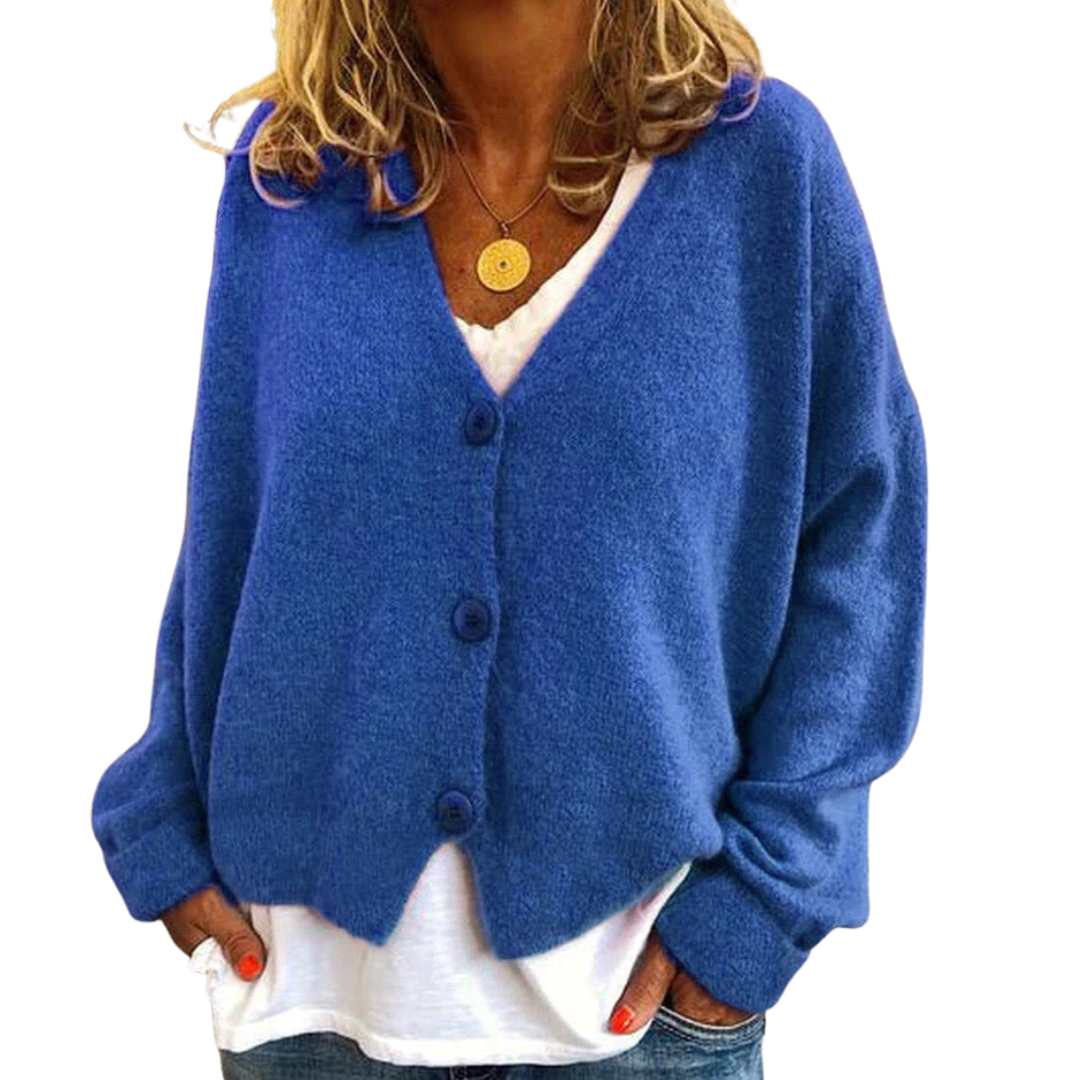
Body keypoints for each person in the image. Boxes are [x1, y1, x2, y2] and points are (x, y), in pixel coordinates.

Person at [89, 1, 928, 1078]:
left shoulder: (761, 167)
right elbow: (233, 520)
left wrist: (770, 898)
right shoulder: (290, 174)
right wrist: (159, 808)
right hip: (307, 1009)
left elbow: (863, 535)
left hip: (630, 1024)